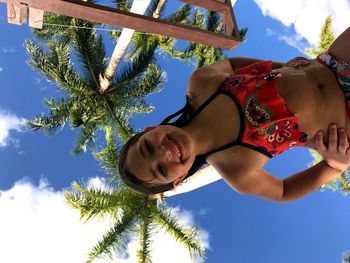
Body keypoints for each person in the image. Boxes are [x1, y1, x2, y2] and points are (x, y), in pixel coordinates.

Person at [118, 26, 350, 202]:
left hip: (334, 62)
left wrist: (280, 67)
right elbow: (283, 192)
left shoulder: (200, 85)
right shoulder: (236, 170)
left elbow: (230, 65)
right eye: (160, 170)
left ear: (149, 130)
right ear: (178, 180)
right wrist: (334, 166)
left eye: (148, 147)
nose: (164, 154)